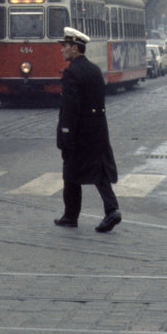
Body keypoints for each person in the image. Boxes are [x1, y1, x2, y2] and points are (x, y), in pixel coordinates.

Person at [53, 27, 122, 233]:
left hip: (80, 131)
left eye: (65, 46)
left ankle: (71, 216)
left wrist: (66, 134)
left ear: (75, 48)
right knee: (99, 172)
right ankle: (112, 209)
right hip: (98, 129)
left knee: (70, 172)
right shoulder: (94, 69)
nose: (62, 50)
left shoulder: (72, 72)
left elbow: (70, 108)